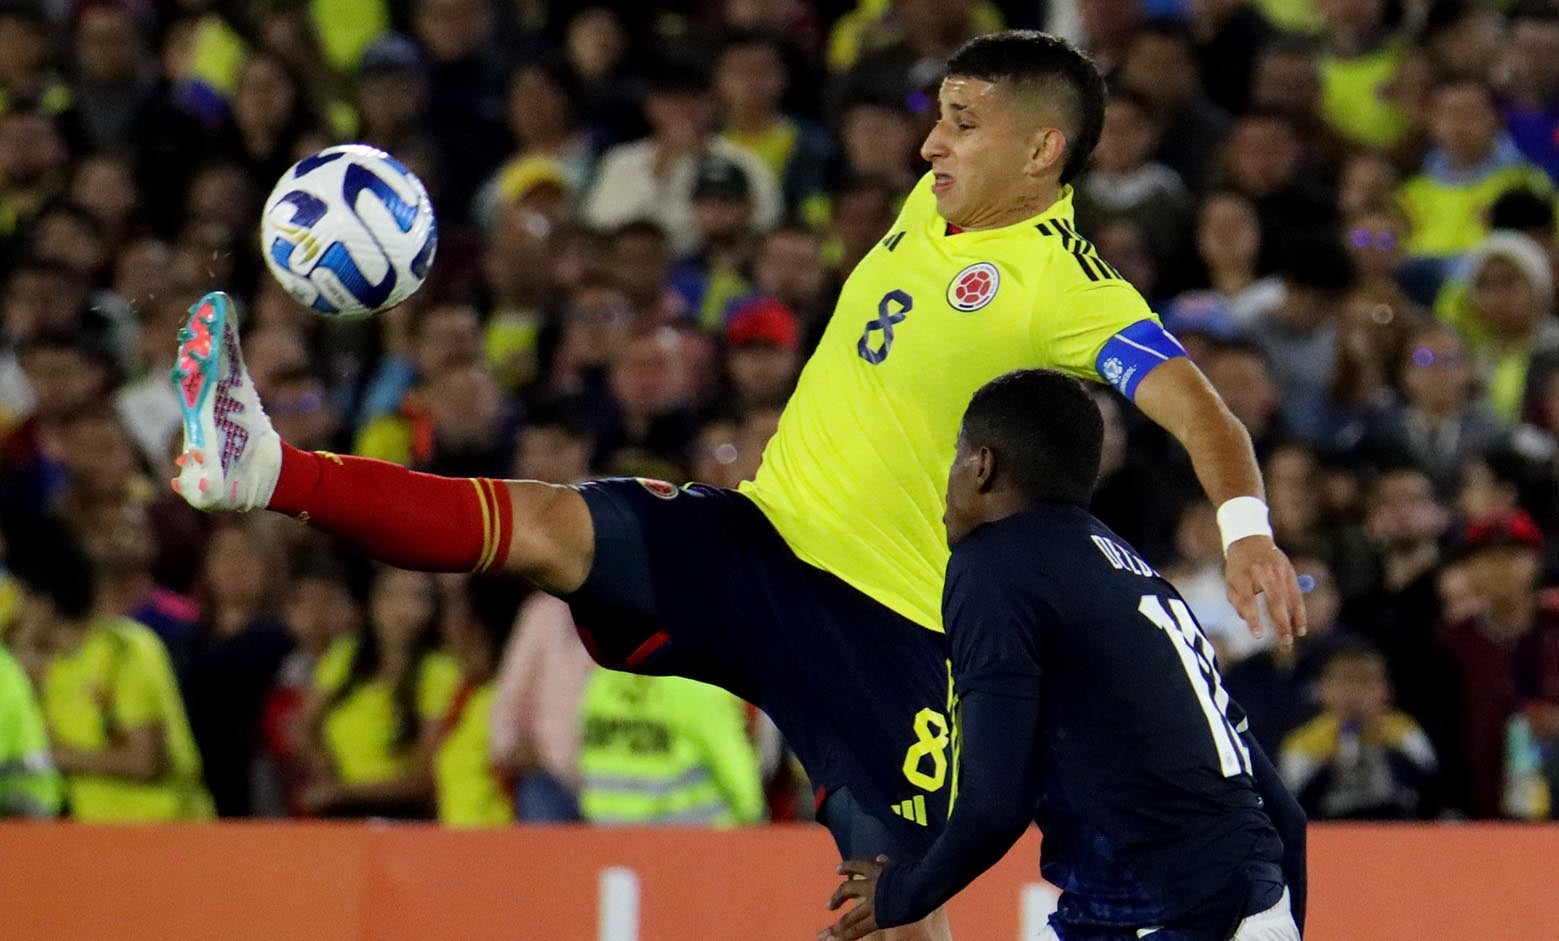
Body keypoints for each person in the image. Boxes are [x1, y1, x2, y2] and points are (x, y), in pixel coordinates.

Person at [169, 32, 1303, 941]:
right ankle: (264, 466)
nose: (930, 143)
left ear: (1043, 149)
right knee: (554, 526)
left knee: (886, 907)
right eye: (937, 116)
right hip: (763, 537)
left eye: (963, 122)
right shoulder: (932, 206)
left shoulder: (1066, 286)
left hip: (891, 633)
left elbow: (1200, 408)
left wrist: (1245, 529)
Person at [819, 370, 1303, 941]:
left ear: (983, 465)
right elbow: (1285, 813)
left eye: (955, 457)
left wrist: (903, 893)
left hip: (1170, 915)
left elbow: (996, 802)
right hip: (1227, 902)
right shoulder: (1130, 569)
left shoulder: (993, 565)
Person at [577, 669, 765, 828]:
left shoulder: (607, 674)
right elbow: (734, 768)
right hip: (691, 836)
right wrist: (753, 820)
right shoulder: (698, 683)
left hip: (609, 832)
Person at [1279, 641, 1439, 820]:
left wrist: (1390, 752)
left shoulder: (1403, 731)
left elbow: (1431, 794)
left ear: (1386, 689)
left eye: (1365, 681)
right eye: (1345, 680)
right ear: (1323, 688)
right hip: (1330, 830)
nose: (1354, 691)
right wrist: (1327, 767)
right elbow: (1293, 804)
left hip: (1396, 829)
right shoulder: (1306, 741)